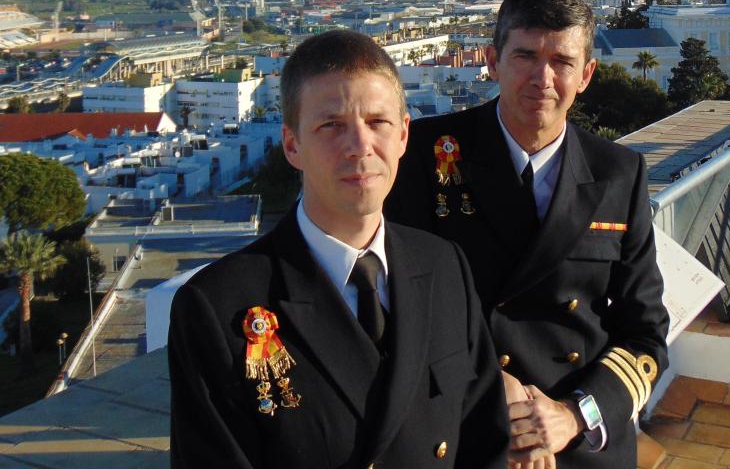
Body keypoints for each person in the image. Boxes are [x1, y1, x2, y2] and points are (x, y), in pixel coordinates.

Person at [168, 30, 508, 468]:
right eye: (332, 125)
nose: (360, 147)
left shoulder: (443, 265)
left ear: (404, 135)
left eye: (377, 122)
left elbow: (484, 437)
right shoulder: (218, 308)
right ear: (293, 145)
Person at [386, 0, 670, 468]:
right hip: (461, 421)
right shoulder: (425, 154)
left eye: (562, 61)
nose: (542, 77)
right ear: (493, 62)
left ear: (586, 75)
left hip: (577, 434)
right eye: (525, 56)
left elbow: (644, 334)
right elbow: (392, 298)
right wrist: (491, 385)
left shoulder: (618, 173)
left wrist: (571, 416)